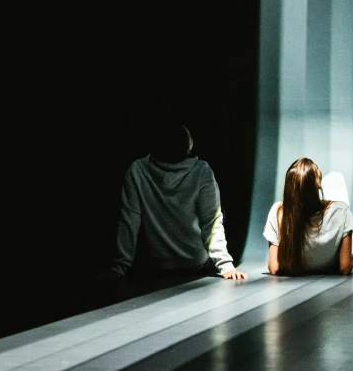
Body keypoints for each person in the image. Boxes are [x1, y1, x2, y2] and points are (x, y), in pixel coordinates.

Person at [95, 115, 246, 303]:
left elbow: (129, 221)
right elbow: (212, 221)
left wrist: (119, 267)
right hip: (195, 262)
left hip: (157, 265)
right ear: (188, 145)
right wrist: (225, 265)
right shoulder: (201, 171)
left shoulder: (138, 170)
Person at [263, 158, 353, 276]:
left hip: (296, 266)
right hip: (329, 265)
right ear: (317, 185)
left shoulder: (277, 212)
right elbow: (345, 267)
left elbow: (274, 267)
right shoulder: (341, 210)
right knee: (335, 179)